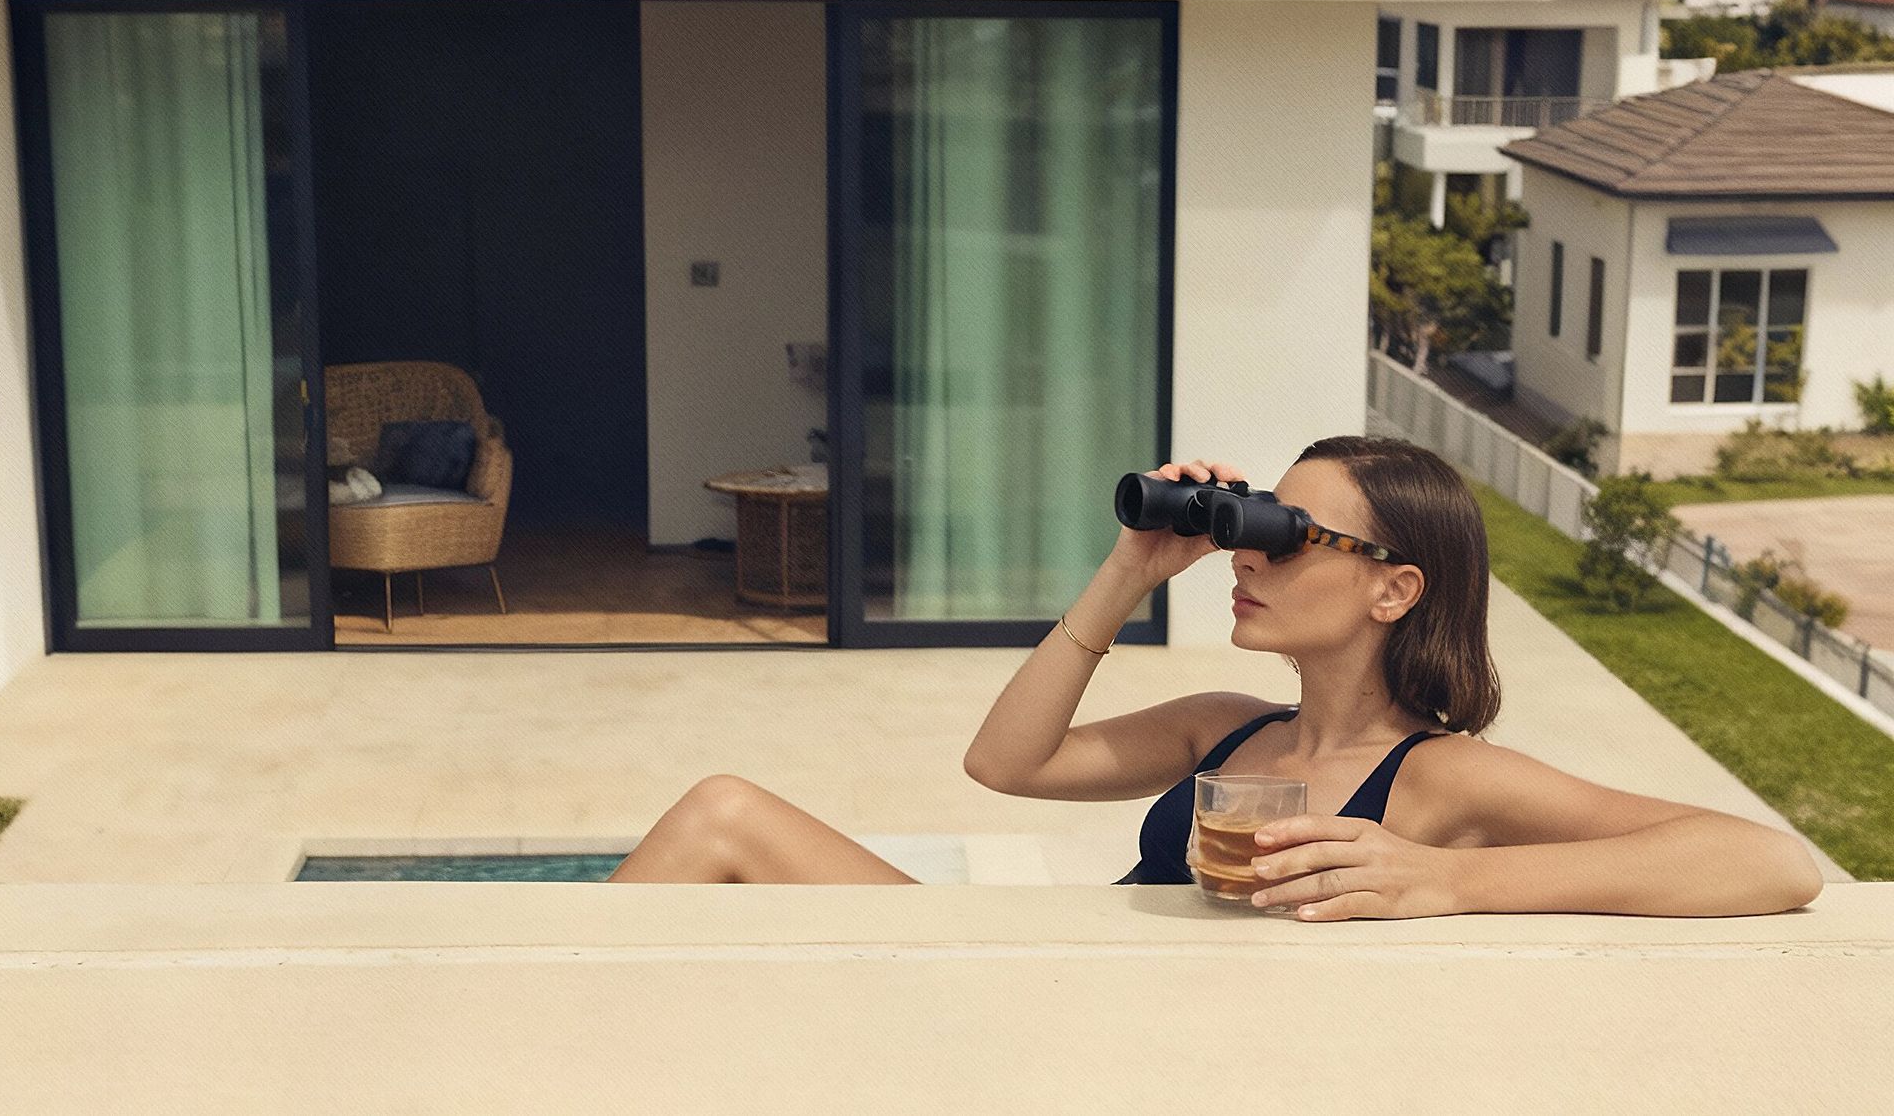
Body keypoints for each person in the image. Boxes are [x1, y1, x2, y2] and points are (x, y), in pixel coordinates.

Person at [607, 436, 1824, 919]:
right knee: (725, 809)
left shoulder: (1441, 777)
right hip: (1065, 986)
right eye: (1257, 522)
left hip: (1148, 1059)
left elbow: (1770, 862)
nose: (1251, 550)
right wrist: (1129, 572)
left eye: (1292, 536)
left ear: (1394, 588)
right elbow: (1005, 764)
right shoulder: (1224, 733)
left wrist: (1450, 880)